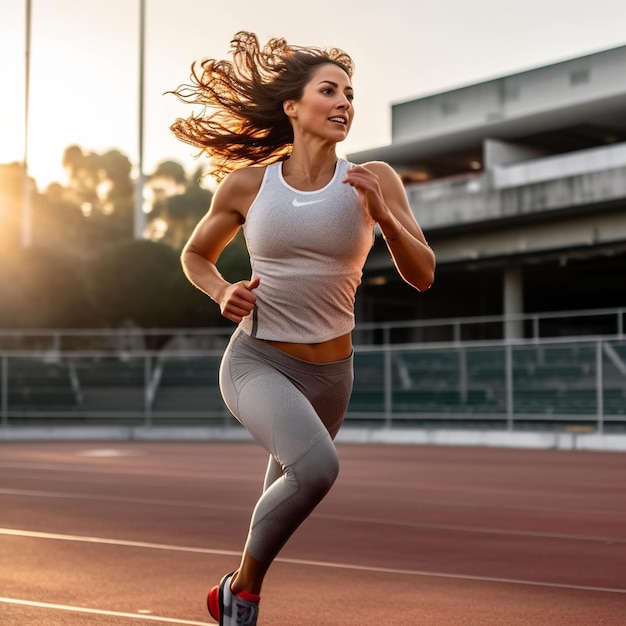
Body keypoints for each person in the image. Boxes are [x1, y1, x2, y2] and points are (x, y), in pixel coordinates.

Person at [169, 31, 435, 626]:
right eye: (329, 90)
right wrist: (222, 290)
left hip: (332, 376)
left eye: (349, 93)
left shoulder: (375, 177)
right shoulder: (248, 185)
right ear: (293, 106)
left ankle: (235, 593)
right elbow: (194, 256)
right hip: (259, 362)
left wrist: (384, 214)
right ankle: (244, 599)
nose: (344, 102)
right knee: (316, 472)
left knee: (286, 496)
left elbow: (423, 275)